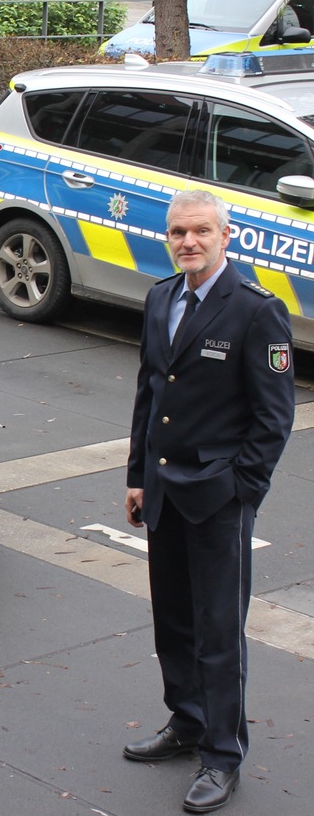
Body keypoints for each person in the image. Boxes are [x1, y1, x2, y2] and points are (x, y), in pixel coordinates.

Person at [123, 190, 294, 813]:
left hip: (219, 499)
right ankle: (187, 722)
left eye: (200, 231)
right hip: (165, 492)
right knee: (173, 620)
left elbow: (274, 418)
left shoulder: (256, 312)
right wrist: (137, 476)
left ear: (228, 236)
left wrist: (242, 492)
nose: (188, 241)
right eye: (177, 232)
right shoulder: (161, 297)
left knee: (220, 634)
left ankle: (223, 756)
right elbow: (150, 393)